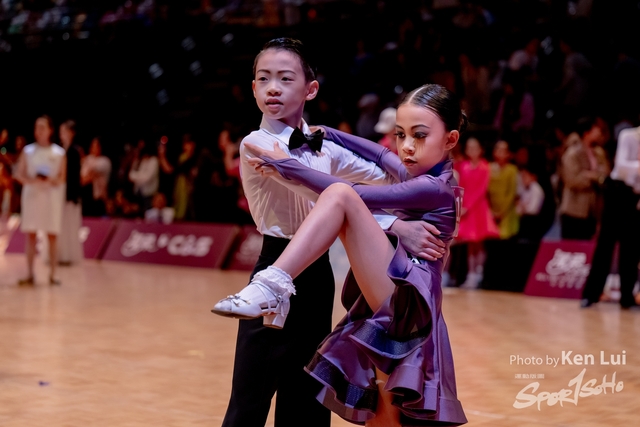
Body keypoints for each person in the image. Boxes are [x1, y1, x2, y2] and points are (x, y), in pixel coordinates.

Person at [214, 38, 447, 427]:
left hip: (317, 277)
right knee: (249, 399)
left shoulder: (326, 149)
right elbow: (325, 196)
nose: (273, 88)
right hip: (275, 262)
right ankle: (269, 289)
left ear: (310, 89)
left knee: (307, 400)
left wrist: (365, 145)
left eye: (285, 78)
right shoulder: (256, 144)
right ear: (253, 88)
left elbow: (389, 179)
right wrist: (395, 225)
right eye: (263, 79)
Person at [581, 126, 640, 309]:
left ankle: (627, 297)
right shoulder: (628, 135)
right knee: (605, 245)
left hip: (636, 197)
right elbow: (621, 166)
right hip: (618, 192)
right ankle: (591, 294)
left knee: (631, 248)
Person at [13, 115, 66, 286]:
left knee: (52, 235)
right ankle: (29, 273)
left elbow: (62, 178)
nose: (39, 131)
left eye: (43, 127)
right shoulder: (28, 151)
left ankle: (53, 274)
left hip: (51, 197)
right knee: (31, 235)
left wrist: (50, 180)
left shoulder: (59, 153)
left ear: (50, 130)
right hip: (32, 196)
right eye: (37, 127)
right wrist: (32, 180)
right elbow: (19, 174)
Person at [455, 136, 499, 289]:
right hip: (466, 209)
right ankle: (471, 274)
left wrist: (468, 206)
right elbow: (460, 187)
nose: (472, 150)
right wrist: (461, 206)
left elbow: (481, 190)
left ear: (481, 150)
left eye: (475, 147)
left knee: (479, 243)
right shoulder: (464, 166)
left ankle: (479, 273)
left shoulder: (485, 167)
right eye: (469, 147)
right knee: (470, 244)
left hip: (478, 208)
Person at [559, 116, 610, 240]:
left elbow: (606, 175)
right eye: (595, 128)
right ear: (586, 132)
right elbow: (573, 180)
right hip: (574, 211)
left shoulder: (599, 152)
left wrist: (589, 175)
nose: (599, 131)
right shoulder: (572, 153)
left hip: (593, 211)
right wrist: (596, 177)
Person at [57, 120, 84, 265]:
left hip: (70, 195)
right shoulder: (60, 150)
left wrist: (71, 196)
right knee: (60, 226)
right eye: (61, 132)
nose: (62, 135)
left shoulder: (75, 151)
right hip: (59, 193)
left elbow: (75, 177)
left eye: (65, 131)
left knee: (70, 226)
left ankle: (69, 256)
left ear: (72, 133)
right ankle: (60, 254)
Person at [80, 137, 111, 217]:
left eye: (96, 146)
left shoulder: (105, 161)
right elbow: (83, 175)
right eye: (92, 146)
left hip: (99, 198)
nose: (94, 149)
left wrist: (84, 159)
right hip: (86, 198)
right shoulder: (88, 159)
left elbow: (92, 171)